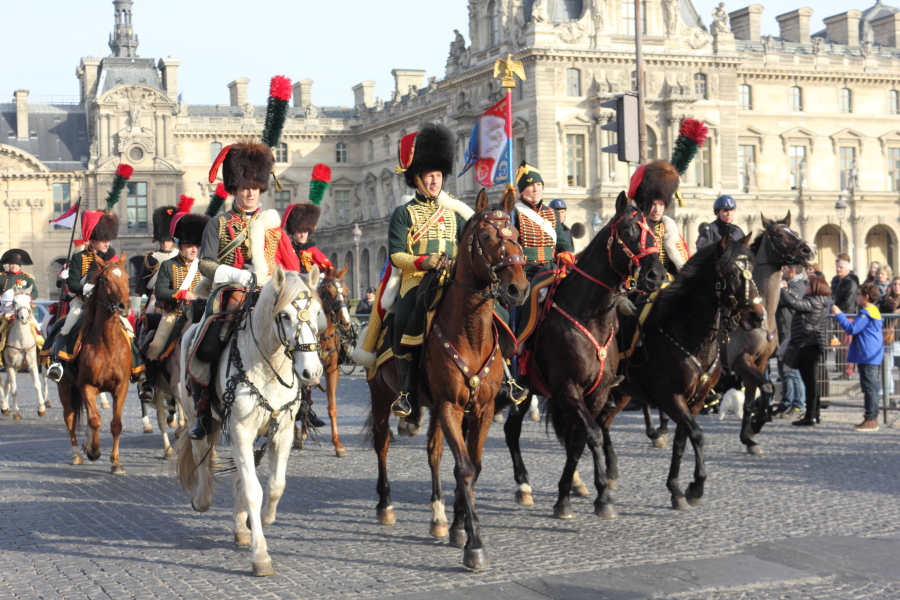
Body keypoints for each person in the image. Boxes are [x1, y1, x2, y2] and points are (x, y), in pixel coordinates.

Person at [188, 140, 301, 439]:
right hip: (232, 293)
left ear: (261, 188)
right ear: (234, 189)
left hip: (269, 295)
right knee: (208, 343)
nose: (249, 192)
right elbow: (206, 265)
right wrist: (237, 274)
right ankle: (202, 408)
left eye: (254, 187)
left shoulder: (274, 227)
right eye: (243, 187)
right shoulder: (219, 224)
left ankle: (299, 402)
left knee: (300, 337)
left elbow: (292, 267)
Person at [385, 123, 471, 417]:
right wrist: (424, 262)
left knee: (493, 311)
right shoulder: (404, 213)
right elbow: (397, 254)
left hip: (453, 278)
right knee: (403, 321)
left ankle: (506, 377)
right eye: (429, 176)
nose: (435, 182)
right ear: (417, 179)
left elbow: (468, 244)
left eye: (438, 176)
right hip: (416, 278)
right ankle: (406, 392)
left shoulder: (454, 211)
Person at [44, 209, 143, 383]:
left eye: (107, 239)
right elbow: (72, 283)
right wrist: (86, 288)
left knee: (128, 330)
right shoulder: (79, 257)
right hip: (82, 302)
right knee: (68, 324)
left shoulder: (113, 258)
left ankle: (136, 368)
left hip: (106, 305)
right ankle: (59, 363)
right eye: (103, 240)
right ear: (92, 241)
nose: (106, 243)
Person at [140, 198, 207, 401]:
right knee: (155, 347)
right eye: (189, 246)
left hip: (199, 314)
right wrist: (179, 293)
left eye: (196, 246)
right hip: (174, 313)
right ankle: (148, 384)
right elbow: (160, 291)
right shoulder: (169, 265)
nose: (194, 250)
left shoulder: (204, 266)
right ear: (180, 245)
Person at [779, 274, 831, 427]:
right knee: (811, 382)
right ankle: (815, 415)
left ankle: (810, 416)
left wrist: (782, 290)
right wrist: (789, 290)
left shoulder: (814, 301)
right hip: (811, 345)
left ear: (814, 287)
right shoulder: (817, 300)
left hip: (808, 345)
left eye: (807, 284)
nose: (805, 286)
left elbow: (794, 304)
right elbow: (798, 301)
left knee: (809, 383)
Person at [832, 282, 884, 431]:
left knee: (869, 388)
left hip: (866, 354)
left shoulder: (865, 312)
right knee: (870, 387)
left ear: (866, 297)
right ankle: (871, 417)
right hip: (870, 353)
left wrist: (839, 314)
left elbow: (851, 329)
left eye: (858, 294)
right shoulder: (874, 310)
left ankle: (871, 419)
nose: (856, 297)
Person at [512, 162, 574, 280]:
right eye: (530, 185)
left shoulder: (552, 213)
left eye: (539, 184)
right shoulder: (515, 212)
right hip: (526, 270)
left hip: (551, 268)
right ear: (522, 190)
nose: (536, 189)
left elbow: (562, 241)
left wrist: (567, 252)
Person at [776, 264, 806, 418]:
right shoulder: (785, 285)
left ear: (793, 271)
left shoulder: (799, 286)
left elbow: (788, 303)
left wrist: (782, 290)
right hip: (782, 333)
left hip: (792, 334)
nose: (782, 270)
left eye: (785, 268)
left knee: (793, 373)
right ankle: (787, 402)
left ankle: (799, 404)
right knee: (784, 373)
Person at [134, 206, 179, 302]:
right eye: (162, 241)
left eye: (167, 240)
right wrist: (137, 303)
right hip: (156, 296)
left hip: (178, 295)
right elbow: (142, 280)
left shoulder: (180, 255)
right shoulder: (152, 257)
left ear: (172, 240)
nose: (164, 243)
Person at [282, 203, 333, 276]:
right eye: (299, 232)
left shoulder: (313, 250)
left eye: (305, 232)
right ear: (293, 233)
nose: (303, 235)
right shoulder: (288, 249)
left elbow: (328, 268)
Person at [878, 276, 900, 399]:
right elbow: (882, 315)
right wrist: (894, 313)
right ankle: (889, 394)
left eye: (899, 284)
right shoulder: (886, 300)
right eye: (895, 284)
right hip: (891, 337)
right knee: (887, 366)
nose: (897, 287)